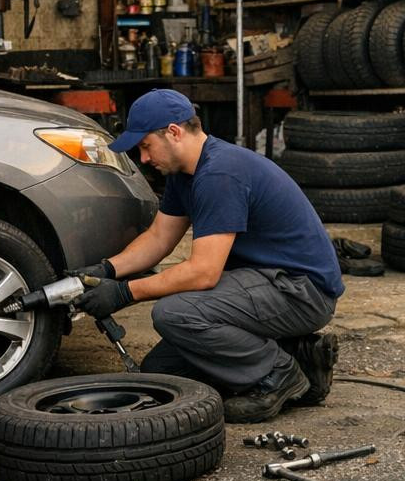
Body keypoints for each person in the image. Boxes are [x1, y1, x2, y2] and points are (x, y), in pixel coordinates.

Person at [73, 89, 344, 423]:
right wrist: (106, 270)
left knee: (175, 314)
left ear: (173, 132)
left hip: (300, 291)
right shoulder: (184, 175)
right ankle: (302, 357)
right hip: (260, 284)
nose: (143, 159)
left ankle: (278, 372)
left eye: (145, 146)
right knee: (161, 374)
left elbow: (203, 272)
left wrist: (125, 293)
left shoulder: (219, 174)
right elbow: (159, 239)